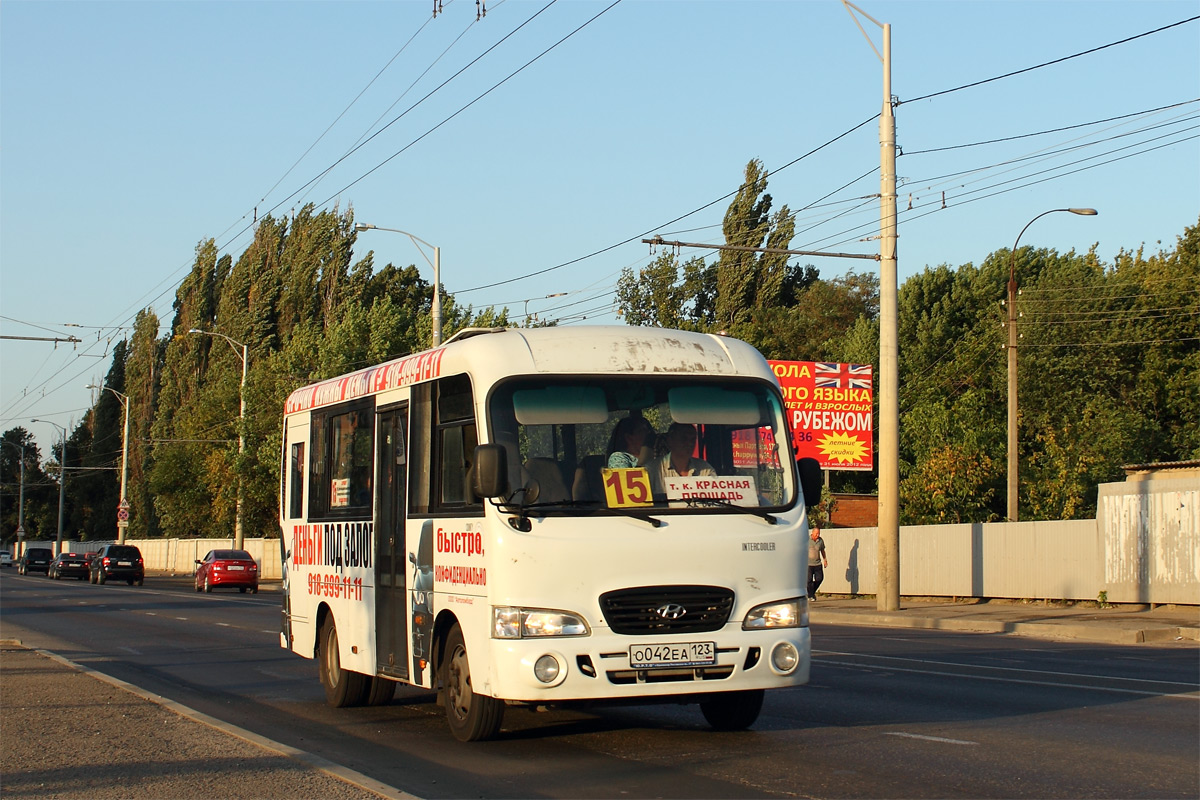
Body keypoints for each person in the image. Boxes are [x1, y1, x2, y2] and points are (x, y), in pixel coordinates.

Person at [652, 422, 715, 494]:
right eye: (684, 439)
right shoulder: (652, 471)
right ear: (670, 440)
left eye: (693, 439)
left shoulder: (705, 469)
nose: (690, 444)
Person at [807, 526, 828, 600]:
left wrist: (825, 559)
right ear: (812, 533)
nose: (817, 535)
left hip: (817, 563)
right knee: (808, 580)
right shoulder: (807, 540)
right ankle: (810, 595)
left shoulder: (820, 541)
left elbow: (822, 550)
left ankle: (811, 593)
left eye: (818, 534)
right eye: (816, 534)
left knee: (819, 579)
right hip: (808, 564)